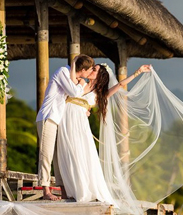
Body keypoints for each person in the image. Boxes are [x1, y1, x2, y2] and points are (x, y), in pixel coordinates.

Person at [56, 63, 151, 205]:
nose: (91, 70)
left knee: (80, 153)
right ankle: (71, 189)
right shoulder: (80, 81)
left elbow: (119, 85)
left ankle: (82, 190)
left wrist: (138, 72)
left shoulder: (99, 93)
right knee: (66, 152)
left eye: (94, 69)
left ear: (100, 75)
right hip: (65, 119)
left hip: (79, 124)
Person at [35, 54, 95, 201]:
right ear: (84, 69)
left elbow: (77, 95)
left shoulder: (72, 78)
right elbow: (74, 92)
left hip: (57, 120)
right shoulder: (63, 72)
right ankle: (46, 191)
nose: (88, 76)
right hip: (48, 117)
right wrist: (81, 80)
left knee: (57, 157)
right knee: (46, 155)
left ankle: (62, 190)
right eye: (89, 71)